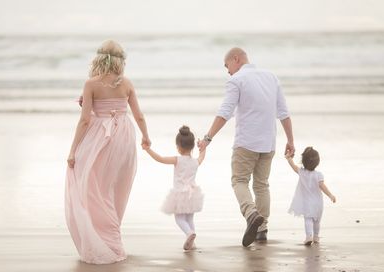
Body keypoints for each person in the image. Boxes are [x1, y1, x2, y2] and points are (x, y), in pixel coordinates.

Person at [198, 47, 295, 247]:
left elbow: (225, 112)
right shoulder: (271, 77)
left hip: (246, 142)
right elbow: (283, 112)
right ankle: (262, 230)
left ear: (236, 59)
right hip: (268, 143)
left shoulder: (237, 80)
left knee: (239, 181)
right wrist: (290, 140)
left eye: (227, 66)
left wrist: (207, 138)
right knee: (262, 185)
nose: (228, 71)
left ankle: (251, 214)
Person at [65, 40, 151, 264]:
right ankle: (112, 241)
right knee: (115, 189)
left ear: (99, 59)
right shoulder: (127, 84)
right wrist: (146, 137)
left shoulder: (91, 84)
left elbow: (85, 121)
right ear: (121, 61)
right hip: (124, 137)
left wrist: (73, 150)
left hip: (101, 139)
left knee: (95, 189)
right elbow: (139, 115)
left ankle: (106, 242)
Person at [143, 126, 205, 250]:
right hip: (192, 194)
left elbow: (160, 159)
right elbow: (202, 156)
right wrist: (202, 147)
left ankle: (189, 234)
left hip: (180, 194)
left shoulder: (177, 160)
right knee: (189, 218)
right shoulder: (195, 162)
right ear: (192, 146)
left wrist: (148, 149)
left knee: (179, 219)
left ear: (178, 147)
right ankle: (191, 241)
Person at [285, 147, 336, 245]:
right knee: (317, 220)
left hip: (307, 202)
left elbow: (293, 166)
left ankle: (309, 236)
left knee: (308, 219)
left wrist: (288, 157)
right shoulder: (319, 175)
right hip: (318, 203)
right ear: (317, 162)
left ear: (303, 161)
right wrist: (330, 195)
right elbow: (322, 187)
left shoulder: (302, 172)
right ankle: (316, 237)